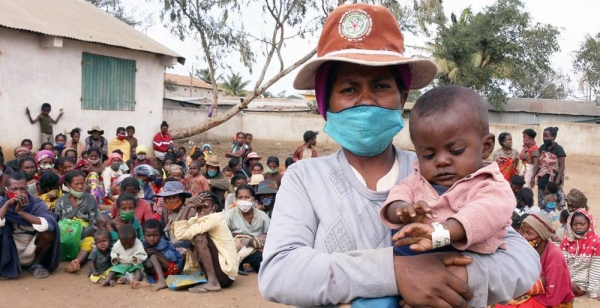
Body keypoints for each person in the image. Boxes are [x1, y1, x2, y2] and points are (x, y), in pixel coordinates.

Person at [258, 4, 540, 307]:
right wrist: (396, 271)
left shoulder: (440, 173)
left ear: (402, 98)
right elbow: (279, 272)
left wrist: (451, 279)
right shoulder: (304, 179)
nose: (366, 100)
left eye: (381, 86)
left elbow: (521, 259)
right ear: (326, 103)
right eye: (349, 89)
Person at [380, 86, 514, 259]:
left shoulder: (490, 185)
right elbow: (397, 196)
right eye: (428, 155)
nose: (441, 161)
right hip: (410, 262)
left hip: (466, 259)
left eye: (456, 151)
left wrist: (441, 233)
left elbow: (485, 213)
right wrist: (403, 210)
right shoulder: (417, 180)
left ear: (486, 147)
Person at [496, 213, 575, 308]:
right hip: (532, 293)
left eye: (529, 233)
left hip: (551, 300)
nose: (524, 237)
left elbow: (554, 294)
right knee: (500, 304)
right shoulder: (525, 250)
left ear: (542, 235)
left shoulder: (554, 256)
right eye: (522, 232)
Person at [172, 192, 238, 292]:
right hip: (216, 272)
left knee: (199, 237)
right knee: (173, 282)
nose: (202, 211)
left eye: (205, 207)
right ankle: (207, 279)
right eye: (198, 208)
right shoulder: (197, 218)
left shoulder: (215, 218)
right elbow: (178, 230)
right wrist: (188, 206)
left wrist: (188, 207)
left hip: (225, 275)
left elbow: (181, 234)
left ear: (214, 207)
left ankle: (213, 282)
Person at [0, 172, 60, 279]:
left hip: (31, 248)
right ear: (6, 190)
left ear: (27, 188)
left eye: (22, 189)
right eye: (14, 189)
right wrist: (8, 204)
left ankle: (36, 264)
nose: (18, 193)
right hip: (8, 247)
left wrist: (21, 213)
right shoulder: (1, 203)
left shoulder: (36, 203)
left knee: (49, 233)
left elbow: (48, 224)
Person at [54, 170, 99, 273]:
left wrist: (79, 233)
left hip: (84, 233)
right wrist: (66, 232)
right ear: (68, 185)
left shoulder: (90, 200)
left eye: (82, 183)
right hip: (65, 232)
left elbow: (95, 224)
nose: (80, 187)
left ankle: (76, 263)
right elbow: (56, 221)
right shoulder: (61, 201)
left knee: (88, 243)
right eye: (76, 184)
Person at [225, 185, 269, 274]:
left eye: (247, 197)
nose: (243, 200)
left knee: (262, 258)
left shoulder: (262, 216)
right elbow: (223, 233)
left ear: (253, 199)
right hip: (236, 248)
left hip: (254, 248)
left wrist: (257, 239)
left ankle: (245, 264)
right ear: (236, 199)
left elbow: (270, 234)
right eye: (240, 198)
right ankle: (242, 263)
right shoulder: (230, 215)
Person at [131, 219, 182, 291]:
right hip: (160, 271)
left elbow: (173, 259)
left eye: (155, 235)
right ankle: (145, 282)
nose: (152, 238)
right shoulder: (143, 244)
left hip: (173, 268)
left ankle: (162, 281)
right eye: (148, 235)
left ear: (160, 235)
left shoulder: (164, 244)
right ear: (144, 235)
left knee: (153, 257)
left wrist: (156, 253)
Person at [560, 209, 600, 300]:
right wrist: (565, 281)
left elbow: (596, 267)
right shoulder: (567, 240)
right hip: (564, 279)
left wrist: (593, 292)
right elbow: (562, 264)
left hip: (580, 284)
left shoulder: (596, 242)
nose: (578, 227)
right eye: (575, 224)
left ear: (589, 224)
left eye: (582, 224)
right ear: (570, 224)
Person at [532, 127, 566, 207]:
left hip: (553, 180)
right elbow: (538, 163)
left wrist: (557, 182)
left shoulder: (559, 149)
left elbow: (562, 166)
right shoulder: (542, 147)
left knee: (554, 203)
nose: (544, 138)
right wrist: (533, 176)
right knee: (542, 202)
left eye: (547, 136)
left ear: (553, 137)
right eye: (543, 136)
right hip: (542, 179)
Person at [157, 181, 192, 251]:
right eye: (168, 198)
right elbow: (163, 231)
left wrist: (171, 247)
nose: (170, 201)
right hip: (170, 243)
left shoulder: (189, 211)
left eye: (174, 197)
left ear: (181, 197)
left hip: (185, 245)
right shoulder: (166, 211)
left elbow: (190, 238)